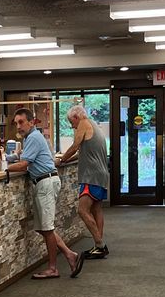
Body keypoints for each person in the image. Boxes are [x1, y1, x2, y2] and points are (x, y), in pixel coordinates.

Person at [6, 109, 84, 280]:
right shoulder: (31, 138)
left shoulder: (33, 138)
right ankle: (69, 254)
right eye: (16, 123)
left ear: (31, 122)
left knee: (47, 228)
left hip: (45, 183)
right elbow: (21, 158)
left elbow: (24, 164)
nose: (18, 126)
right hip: (43, 182)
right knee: (43, 228)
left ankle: (53, 268)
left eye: (21, 122)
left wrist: (6, 169)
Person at [58, 105, 109, 260]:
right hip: (101, 174)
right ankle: (98, 246)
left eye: (71, 121)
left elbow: (74, 146)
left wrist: (62, 159)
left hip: (91, 176)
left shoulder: (83, 124)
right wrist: (64, 160)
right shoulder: (94, 125)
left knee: (82, 210)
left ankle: (100, 245)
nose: (71, 125)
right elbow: (82, 153)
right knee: (97, 209)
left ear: (76, 117)